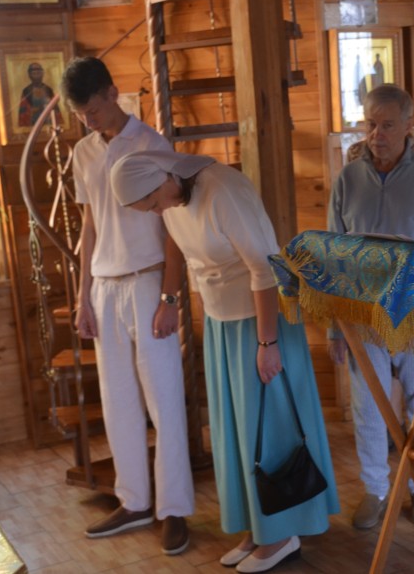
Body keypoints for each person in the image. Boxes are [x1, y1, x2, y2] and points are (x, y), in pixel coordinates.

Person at [108, 148, 339, 574]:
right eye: (149, 209)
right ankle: (256, 525)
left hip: (260, 323)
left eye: (154, 202)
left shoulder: (222, 190)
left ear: (164, 178)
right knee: (236, 432)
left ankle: (281, 534)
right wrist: (175, 302)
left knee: (270, 428)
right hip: (221, 324)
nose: (157, 211)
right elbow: (180, 250)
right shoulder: (171, 200)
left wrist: (268, 342)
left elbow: (265, 270)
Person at [61, 57, 194, 554]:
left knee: (164, 399)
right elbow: (89, 226)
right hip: (104, 286)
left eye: (93, 110)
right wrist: (83, 297)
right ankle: (134, 501)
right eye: (81, 115)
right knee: (117, 401)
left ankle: (173, 508)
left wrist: (170, 297)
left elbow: (174, 225)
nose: (89, 121)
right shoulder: (83, 152)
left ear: (112, 94)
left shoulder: (152, 145)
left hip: (148, 282)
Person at [327, 83, 414, 530]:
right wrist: (335, 329)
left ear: (408, 125)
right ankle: (375, 490)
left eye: (386, 125)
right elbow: (333, 258)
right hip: (363, 317)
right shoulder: (348, 180)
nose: (376, 135)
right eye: (370, 124)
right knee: (368, 407)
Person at [17, 62, 60, 128]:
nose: (36, 74)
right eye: (34, 72)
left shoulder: (48, 90)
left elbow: (56, 111)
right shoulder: (26, 91)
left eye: (38, 71)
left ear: (42, 73)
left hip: (48, 123)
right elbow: (23, 113)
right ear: (29, 75)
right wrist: (34, 111)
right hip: (32, 125)